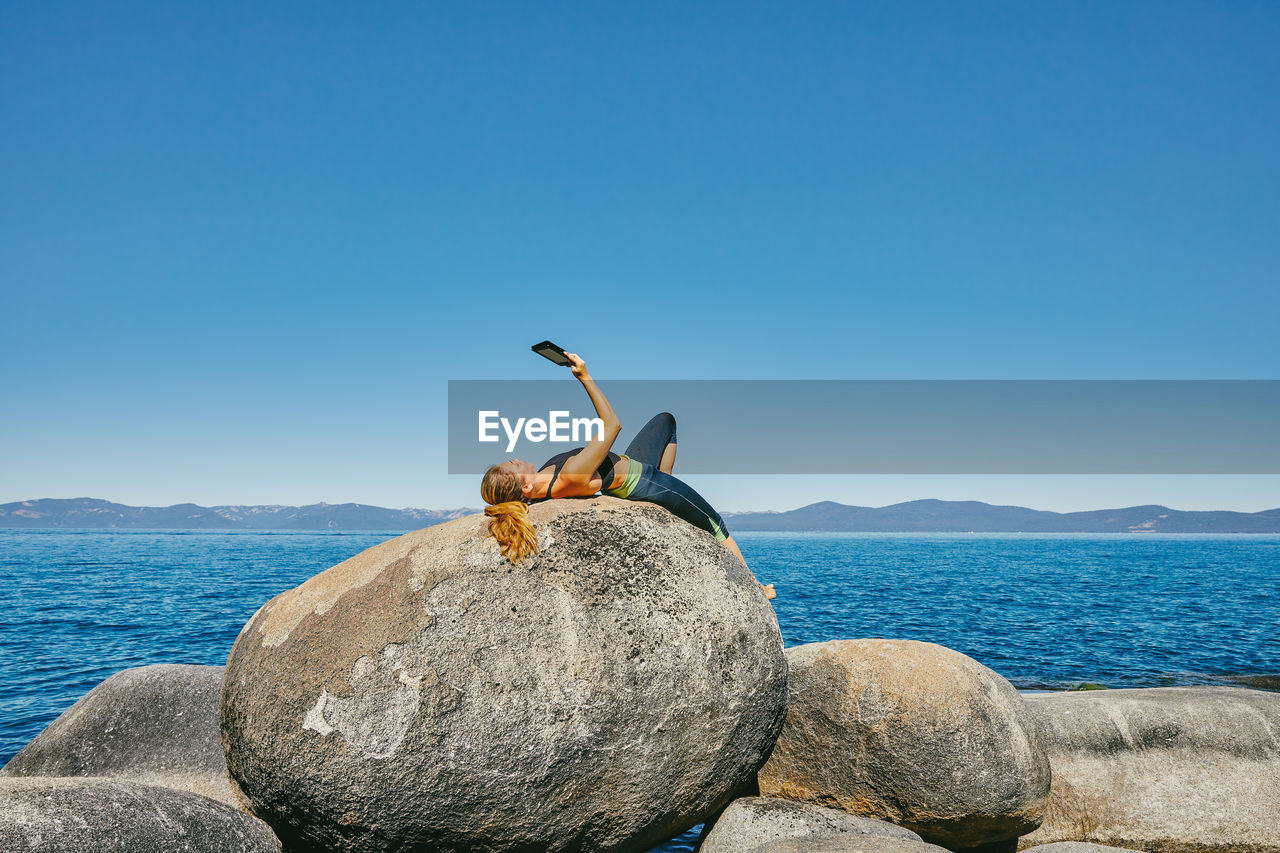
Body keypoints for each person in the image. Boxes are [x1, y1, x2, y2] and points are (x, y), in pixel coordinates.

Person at [480, 351, 776, 600]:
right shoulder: (570, 475)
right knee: (716, 526)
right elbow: (612, 425)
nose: (517, 458)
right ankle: (756, 589)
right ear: (526, 486)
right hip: (646, 481)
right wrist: (584, 377)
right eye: (513, 465)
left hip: (632, 461)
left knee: (666, 421)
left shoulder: (542, 482)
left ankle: (669, 505)